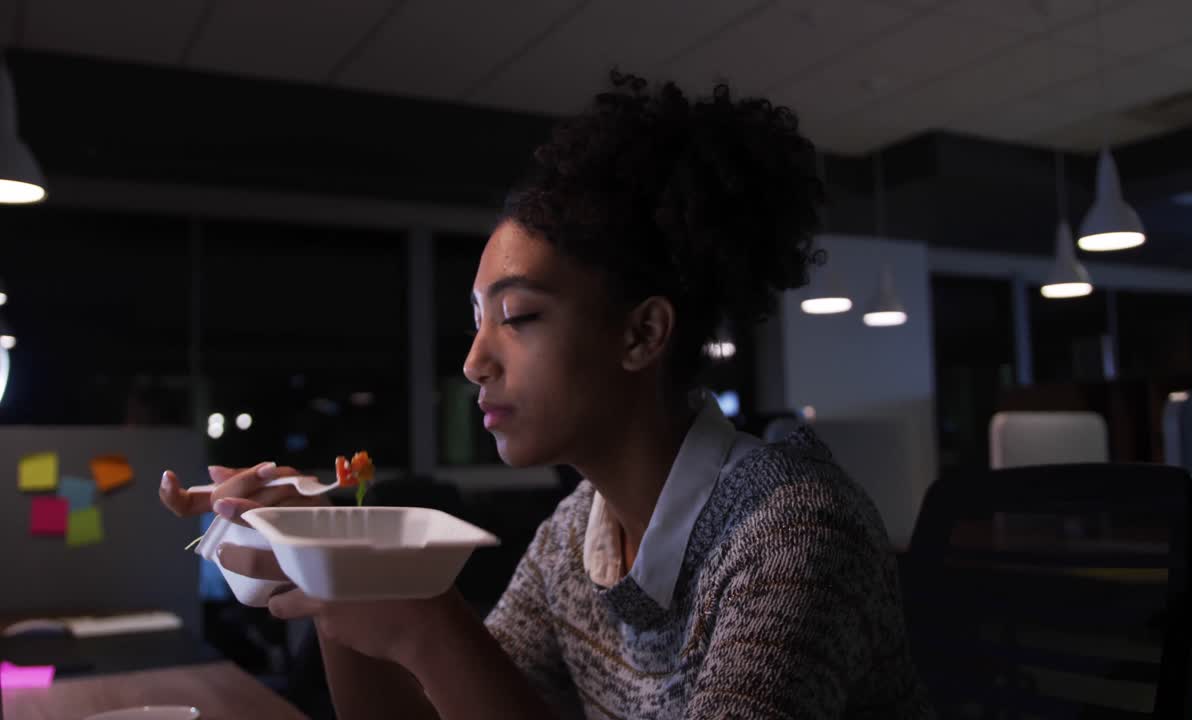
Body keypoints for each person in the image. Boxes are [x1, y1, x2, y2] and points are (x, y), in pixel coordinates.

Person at [160, 71, 932, 719]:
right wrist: (331, 567)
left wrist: (429, 623)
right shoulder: (573, 539)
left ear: (642, 334)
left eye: (519, 317)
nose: (474, 363)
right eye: (476, 321)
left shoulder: (792, 531)